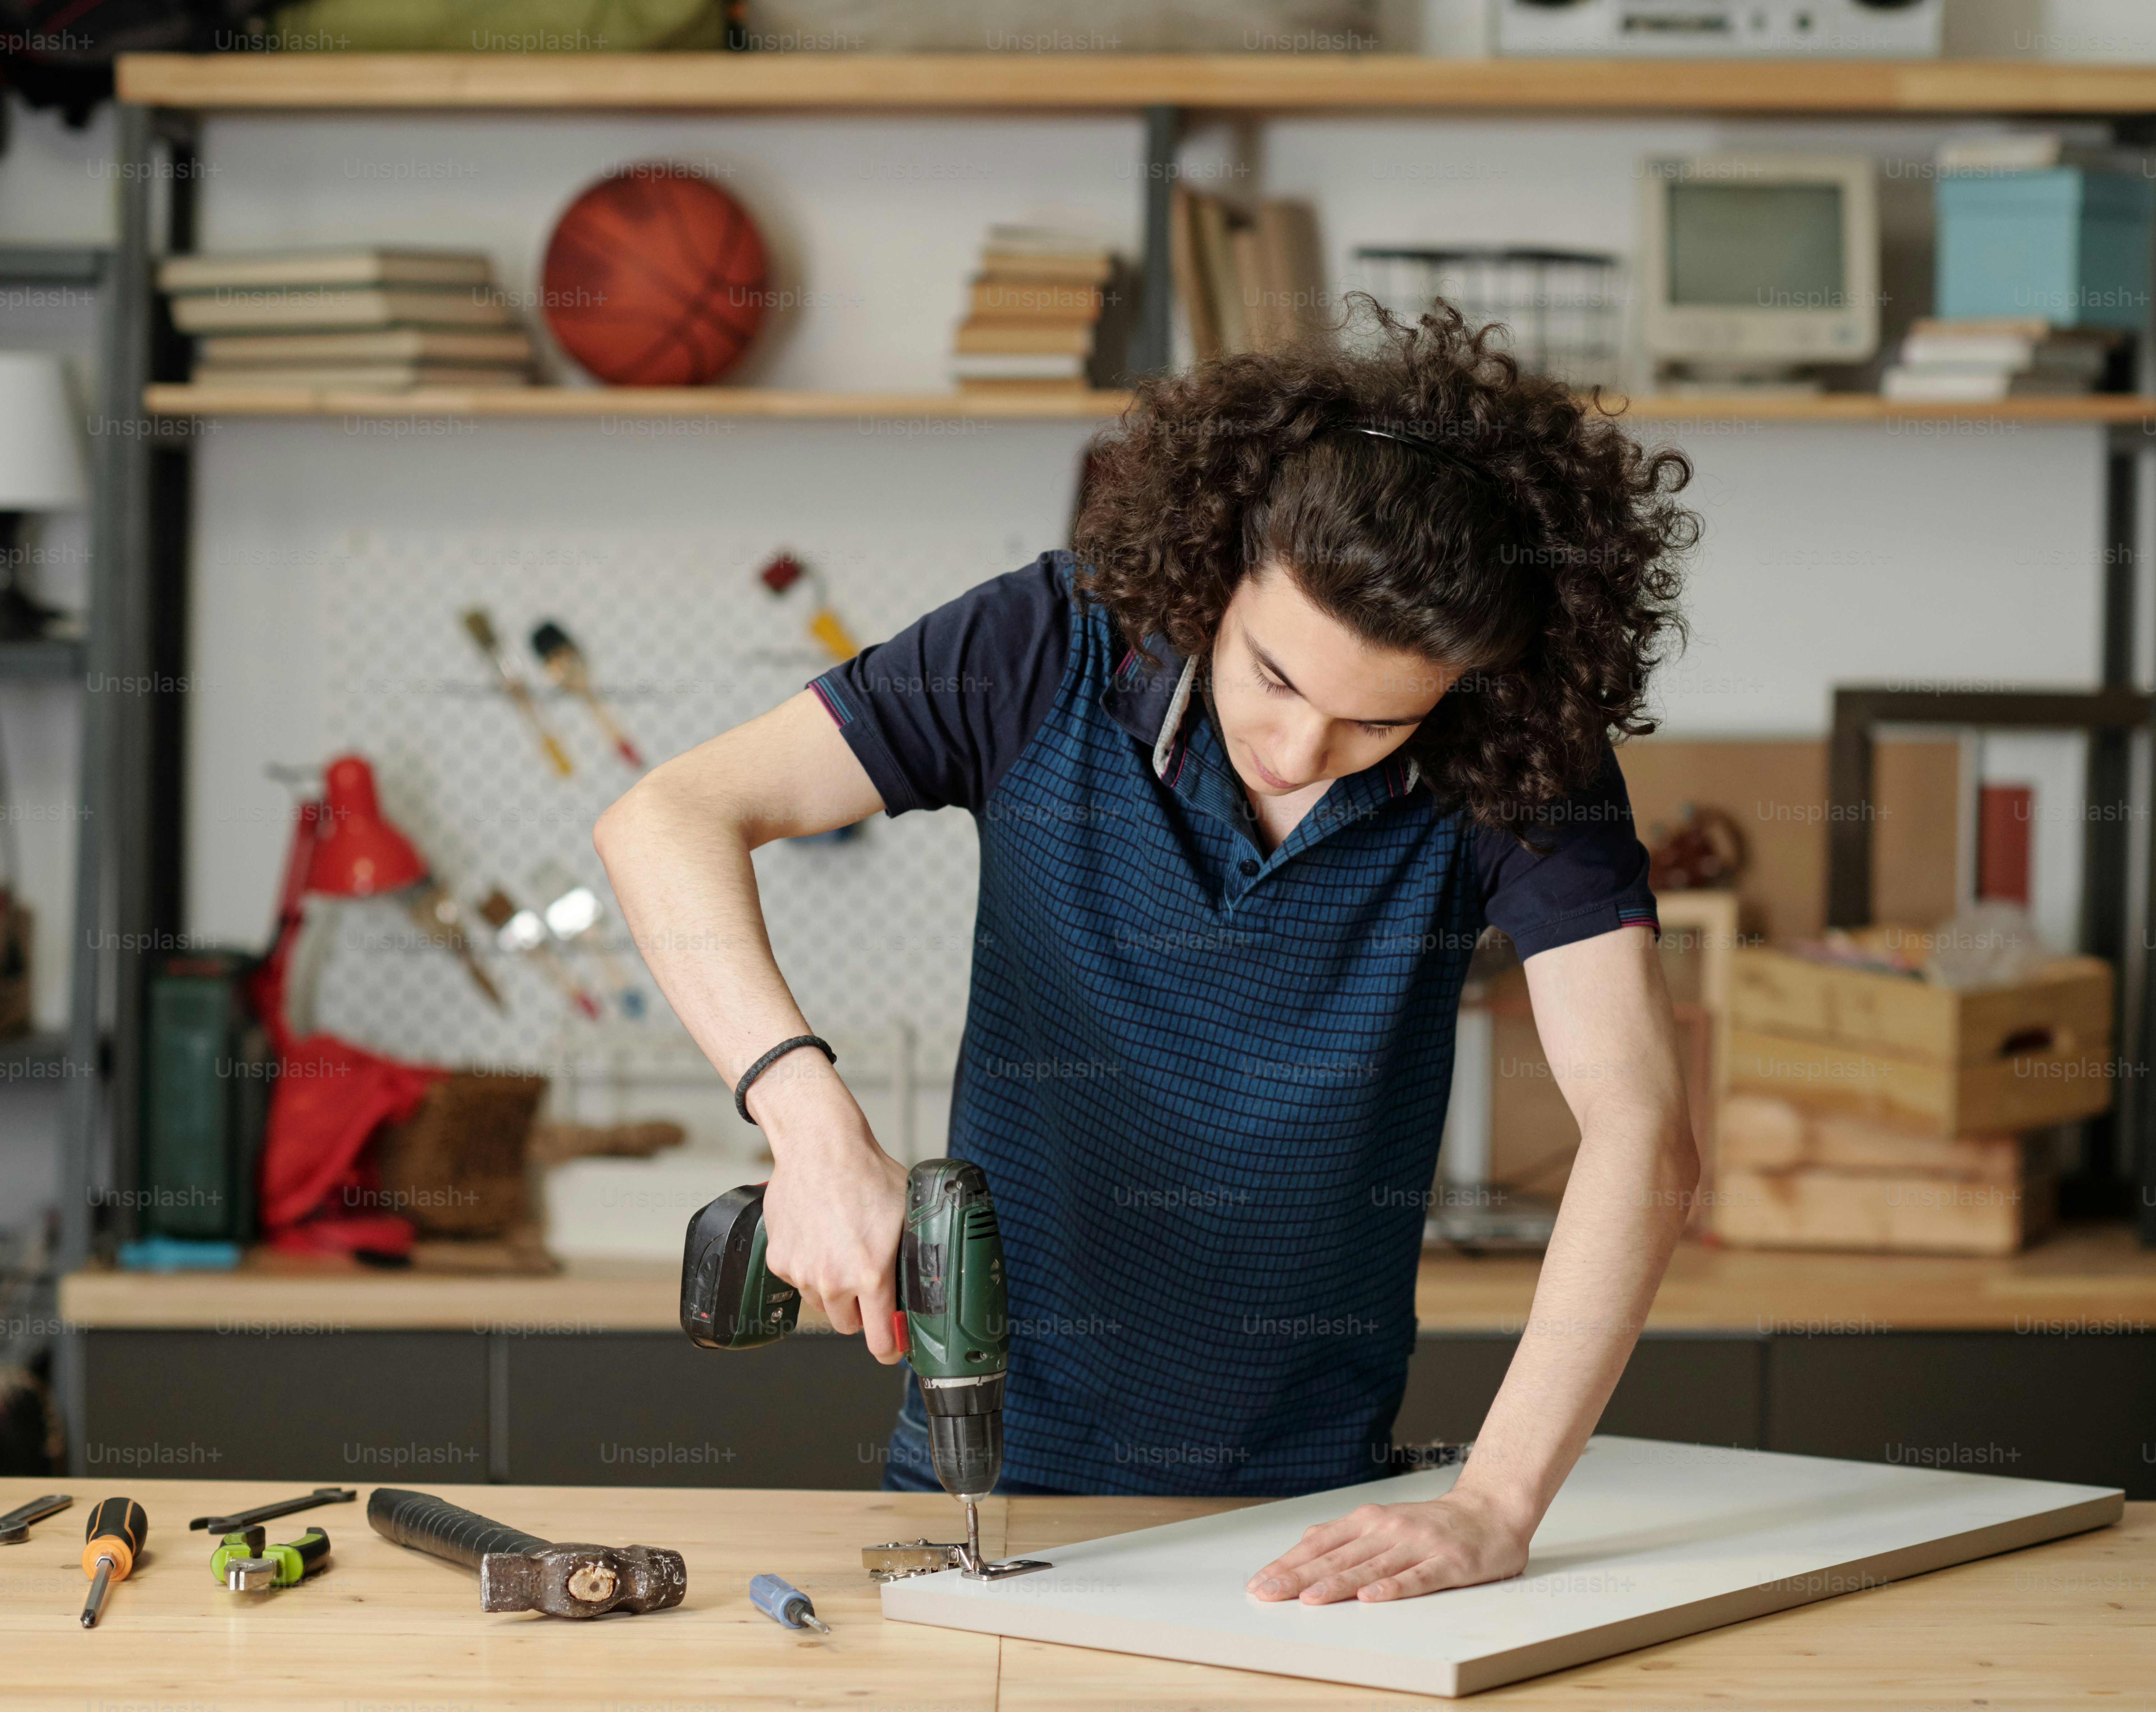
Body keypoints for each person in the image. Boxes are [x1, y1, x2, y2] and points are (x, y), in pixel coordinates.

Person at [597, 303, 1702, 1606]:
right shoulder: (1040, 649)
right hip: (988, 1460)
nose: (1297, 751)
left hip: (1311, 1509)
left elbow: (1642, 1134)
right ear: (1218, 568)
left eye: (1374, 721)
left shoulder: (1519, 758)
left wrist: (1496, 1502)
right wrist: (810, 1122)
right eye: (1275, 678)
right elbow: (665, 817)